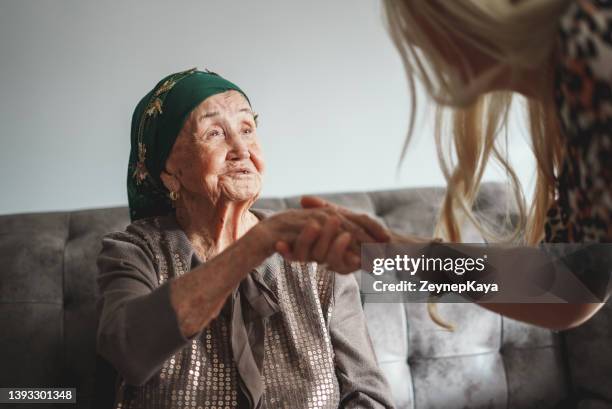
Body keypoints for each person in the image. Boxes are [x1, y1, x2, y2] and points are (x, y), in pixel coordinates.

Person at [279, 0, 612, 330]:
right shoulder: (574, 92)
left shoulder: (589, 42)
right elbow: (565, 290)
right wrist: (384, 250)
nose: (412, 38)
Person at [96, 68, 395, 409]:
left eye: (247, 129)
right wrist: (254, 246)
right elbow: (128, 349)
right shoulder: (136, 252)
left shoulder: (315, 259)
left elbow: (370, 398)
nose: (241, 149)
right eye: (214, 133)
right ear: (169, 173)